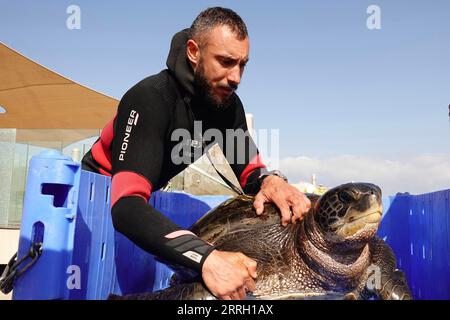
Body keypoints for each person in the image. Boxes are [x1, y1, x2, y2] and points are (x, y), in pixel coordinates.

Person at [82, 7, 311, 300]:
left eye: (243, 65)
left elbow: (250, 171)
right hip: (95, 202)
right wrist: (208, 259)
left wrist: (270, 181)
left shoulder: (228, 106)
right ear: (193, 51)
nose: (236, 77)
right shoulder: (150, 98)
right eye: (226, 62)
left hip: (142, 206)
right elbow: (126, 206)